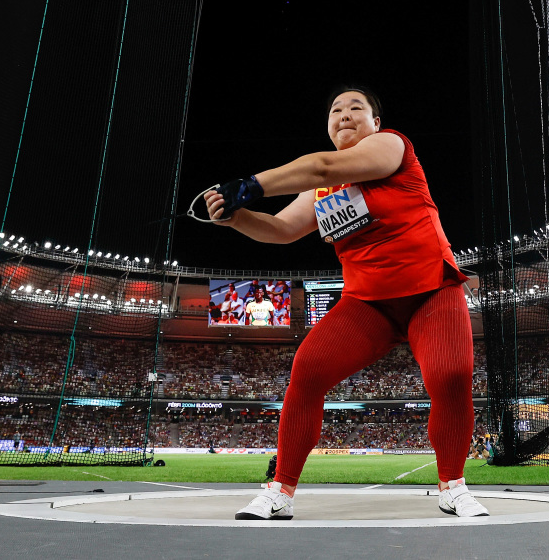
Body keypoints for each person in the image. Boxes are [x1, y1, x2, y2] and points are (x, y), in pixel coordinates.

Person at [204, 87, 487, 519]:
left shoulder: (392, 146)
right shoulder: (322, 191)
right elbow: (281, 229)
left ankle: (453, 484)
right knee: (309, 369)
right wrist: (234, 216)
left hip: (430, 289)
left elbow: (322, 164)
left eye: (357, 108)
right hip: (367, 303)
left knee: (451, 374)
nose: (345, 114)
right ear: (328, 126)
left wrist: (252, 186)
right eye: (336, 110)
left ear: (376, 122)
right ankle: (280, 490)